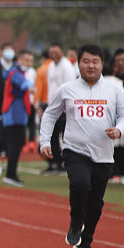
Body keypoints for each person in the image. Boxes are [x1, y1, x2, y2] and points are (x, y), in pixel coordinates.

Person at [39, 44, 124, 248]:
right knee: (80, 184)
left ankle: (86, 242)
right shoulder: (67, 89)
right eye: (86, 61)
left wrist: (119, 129)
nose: (91, 66)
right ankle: (75, 220)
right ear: (78, 63)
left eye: (95, 61)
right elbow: (50, 115)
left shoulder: (114, 89)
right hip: (75, 150)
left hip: (104, 153)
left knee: (96, 202)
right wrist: (44, 141)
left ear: (102, 64)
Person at [42, 42, 78, 174]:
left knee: (65, 136)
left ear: (62, 52)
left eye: (56, 52)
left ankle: (65, 162)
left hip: (63, 107)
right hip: (52, 105)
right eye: (52, 53)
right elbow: (50, 86)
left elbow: (69, 87)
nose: (53, 55)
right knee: (53, 135)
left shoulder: (66, 66)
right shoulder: (51, 65)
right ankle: (55, 162)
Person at [1, 50, 35, 186]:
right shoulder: (15, 73)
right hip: (14, 115)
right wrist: (31, 88)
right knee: (15, 145)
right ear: (19, 60)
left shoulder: (15, 73)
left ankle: (11, 173)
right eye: (26, 60)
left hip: (17, 115)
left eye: (31, 61)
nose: (29, 64)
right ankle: (11, 174)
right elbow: (24, 84)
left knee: (16, 144)